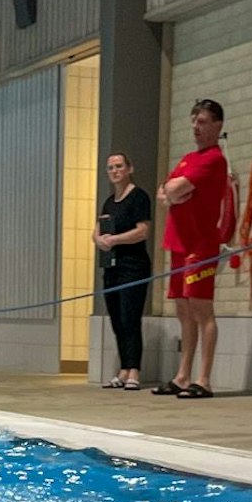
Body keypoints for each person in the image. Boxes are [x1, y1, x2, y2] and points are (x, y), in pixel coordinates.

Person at [153, 99, 231, 400]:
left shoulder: (214, 159)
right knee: (183, 310)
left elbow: (171, 190)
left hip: (201, 243)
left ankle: (204, 379)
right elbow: (164, 192)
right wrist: (174, 193)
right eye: (194, 121)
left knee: (201, 310)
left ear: (217, 125)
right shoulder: (188, 158)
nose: (197, 128)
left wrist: (174, 192)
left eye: (203, 122)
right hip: (179, 242)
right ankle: (182, 375)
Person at [95, 152, 154, 390]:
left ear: (129, 168)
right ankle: (123, 368)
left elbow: (143, 231)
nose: (115, 171)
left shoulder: (139, 197)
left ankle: (134, 371)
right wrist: (99, 240)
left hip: (133, 266)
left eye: (119, 166)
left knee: (131, 318)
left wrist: (115, 240)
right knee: (117, 320)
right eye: (110, 168)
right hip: (112, 267)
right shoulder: (109, 202)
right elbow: (98, 228)